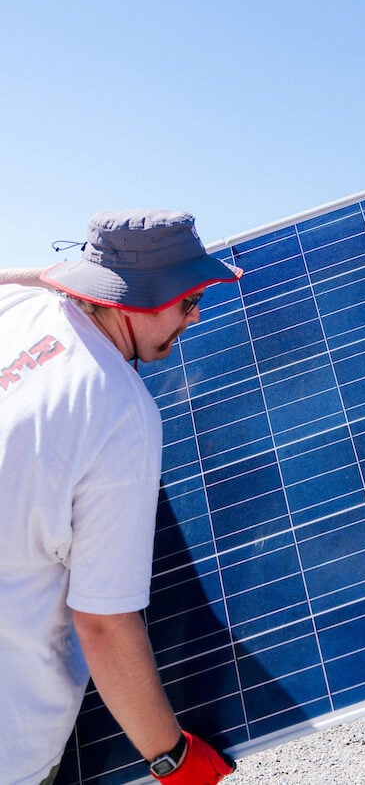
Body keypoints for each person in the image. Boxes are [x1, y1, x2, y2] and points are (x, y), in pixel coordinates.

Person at [0, 210, 242, 784]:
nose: (196, 315)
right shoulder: (118, 410)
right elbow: (103, 623)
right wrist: (172, 758)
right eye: (186, 301)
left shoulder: (21, 312)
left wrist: (70, 279)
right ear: (135, 299)